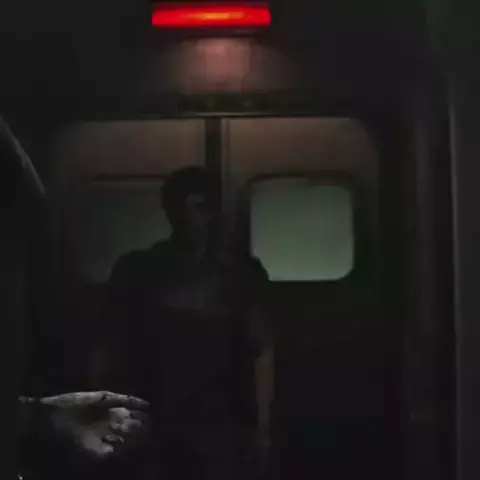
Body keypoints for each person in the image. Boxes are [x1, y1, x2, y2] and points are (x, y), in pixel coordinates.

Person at [93, 166, 274, 480]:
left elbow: (261, 352)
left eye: (199, 207)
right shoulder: (139, 270)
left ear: (214, 213)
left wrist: (262, 427)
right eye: (182, 207)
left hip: (217, 421)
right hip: (152, 418)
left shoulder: (239, 275)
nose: (190, 218)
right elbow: (107, 347)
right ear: (169, 212)